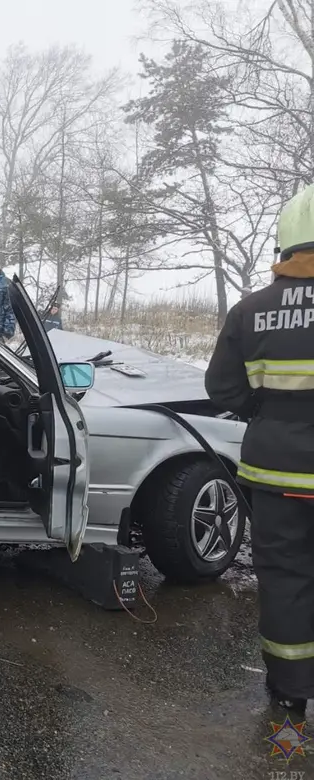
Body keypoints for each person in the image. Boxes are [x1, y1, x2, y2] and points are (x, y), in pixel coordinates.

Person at [204, 182, 314, 715]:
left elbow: (222, 389)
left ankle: (291, 696)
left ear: (284, 247)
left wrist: (266, 413)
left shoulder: (251, 310)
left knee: (285, 575)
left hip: (276, 471)